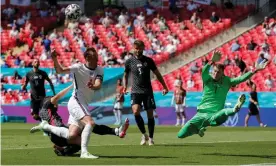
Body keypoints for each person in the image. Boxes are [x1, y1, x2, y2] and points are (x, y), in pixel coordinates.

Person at [177, 51, 268, 139]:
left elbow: (241, 79)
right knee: (180, 134)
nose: (216, 73)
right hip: (201, 114)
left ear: (222, 73)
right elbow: (204, 71)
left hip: (216, 115)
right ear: (212, 71)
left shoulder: (227, 81)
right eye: (215, 71)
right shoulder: (207, 79)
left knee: (224, 111)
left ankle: (235, 108)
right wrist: (212, 61)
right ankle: (198, 130)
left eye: (218, 72)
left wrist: (254, 70)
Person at [50, 47, 120, 159]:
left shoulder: (99, 70)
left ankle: (60, 145)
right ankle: (84, 153)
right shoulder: (78, 68)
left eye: (97, 56)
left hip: (83, 103)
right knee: (90, 123)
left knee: (73, 135)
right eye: (94, 57)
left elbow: (98, 84)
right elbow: (60, 71)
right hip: (76, 101)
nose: (97, 59)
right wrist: (54, 59)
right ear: (87, 58)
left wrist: (93, 86)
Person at [30, 84, 130, 156]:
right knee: (88, 126)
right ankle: (115, 131)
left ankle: (63, 151)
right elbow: (57, 97)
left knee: (83, 139)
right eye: (54, 102)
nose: (57, 103)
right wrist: (70, 87)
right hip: (58, 133)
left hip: (56, 136)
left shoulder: (44, 112)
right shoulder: (47, 105)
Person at [123, 40, 168, 146]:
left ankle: (151, 138)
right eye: (136, 48)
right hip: (135, 90)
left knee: (150, 114)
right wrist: (125, 86)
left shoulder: (149, 61)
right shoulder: (129, 61)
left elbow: (157, 74)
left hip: (147, 91)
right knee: (135, 111)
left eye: (139, 48)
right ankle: (144, 134)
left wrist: (165, 86)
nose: (137, 50)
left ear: (143, 48)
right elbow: (125, 75)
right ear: (134, 48)